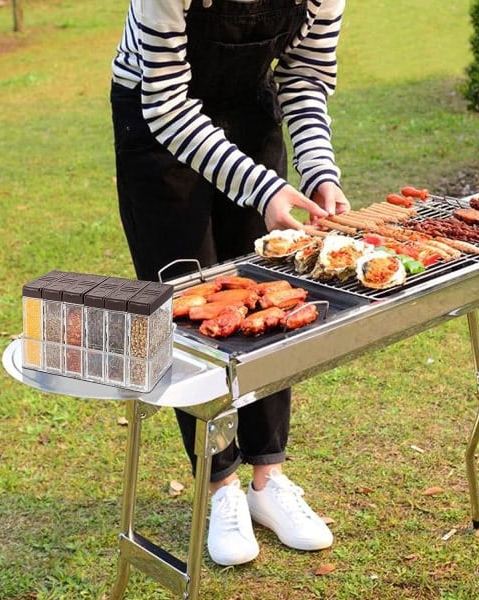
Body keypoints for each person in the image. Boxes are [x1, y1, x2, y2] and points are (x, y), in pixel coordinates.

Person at [110, 0, 349, 566]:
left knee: (268, 291)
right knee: (192, 308)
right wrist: (264, 190)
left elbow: (305, 73)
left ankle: (268, 482)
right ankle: (221, 489)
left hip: (247, 107)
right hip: (156, 120)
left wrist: (317, 172)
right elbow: (166, 103)